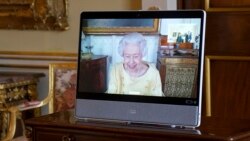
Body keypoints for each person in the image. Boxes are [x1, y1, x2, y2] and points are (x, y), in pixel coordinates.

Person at [107, 32, 163, 96]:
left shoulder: (154, 73)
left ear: (142, 54)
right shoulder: (116, 70)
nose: (131, 61)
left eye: (136, 56)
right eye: (127, 56)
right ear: (122, 55)